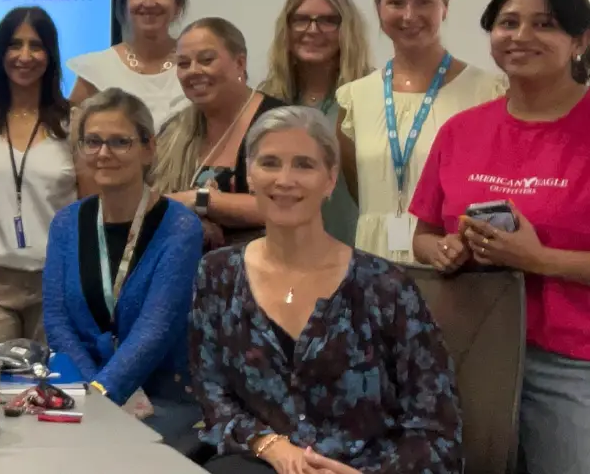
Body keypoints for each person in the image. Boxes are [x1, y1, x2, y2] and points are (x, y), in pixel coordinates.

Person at [190, 106, 462, 474]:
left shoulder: (386, 287)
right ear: (250, 175)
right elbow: (212, 394)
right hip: (260, 464)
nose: (285, 180)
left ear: (330, 179)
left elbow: (437, 430)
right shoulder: (217, 274)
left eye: (304, 165)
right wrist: (269, 444)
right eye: (270, 163)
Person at [409, 0, 590, 474]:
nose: (521, 36)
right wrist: (438, 250)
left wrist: (538, 260)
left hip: (570, 361)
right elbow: (423, 234)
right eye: (507, 23)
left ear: (579, 40)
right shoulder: (462, 130)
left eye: (544, 24)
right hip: (466, 346)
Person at [42, 88, 203, 440]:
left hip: (163, 402)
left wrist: (101, 396)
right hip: (84, 395)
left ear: (148, 148)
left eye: (120, 142)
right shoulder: (67, 224)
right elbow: (57, 321)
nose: (104, 153)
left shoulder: (180, 227)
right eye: (93, 141)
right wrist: (91, 392)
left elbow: (156, 330)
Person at [337, 0, 503, 264]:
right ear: (378, 8)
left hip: (452, 261)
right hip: (374, 259)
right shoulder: (354, 99)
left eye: (423, 1)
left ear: (446, 6)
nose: (409, 15)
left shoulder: (488, 92)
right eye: (396, 2)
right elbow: (358, 189)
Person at [0, 7, 77, 350]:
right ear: (0, 54)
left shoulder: (76, 123)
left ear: (50, 55)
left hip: (55, 283)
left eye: (36, 46)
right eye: (14, 45)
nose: (25, 56)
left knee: (55, 389)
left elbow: (88, 208)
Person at [257, 0, 373, 245]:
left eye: (328, 20)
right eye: (301, 20)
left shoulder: (370, 95)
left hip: (356, 247)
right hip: (285, 248)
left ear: (347, 30)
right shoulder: (267, 100)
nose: (313, 30)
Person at [153, 18, 285, 249]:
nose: (193, 71)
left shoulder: (281, 123)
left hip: (264, 272)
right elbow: (152, 204)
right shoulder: (172, 129)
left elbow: (284, 206)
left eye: (206, 60)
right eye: (183, 64)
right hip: (184, 274)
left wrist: (200, 200)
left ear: (239, 63)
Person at [67, 0, 190, 129]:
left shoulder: (195, 66)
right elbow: (73, 141)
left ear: (177, 5)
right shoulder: (95, 70)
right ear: (124, 4)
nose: (148, 3)